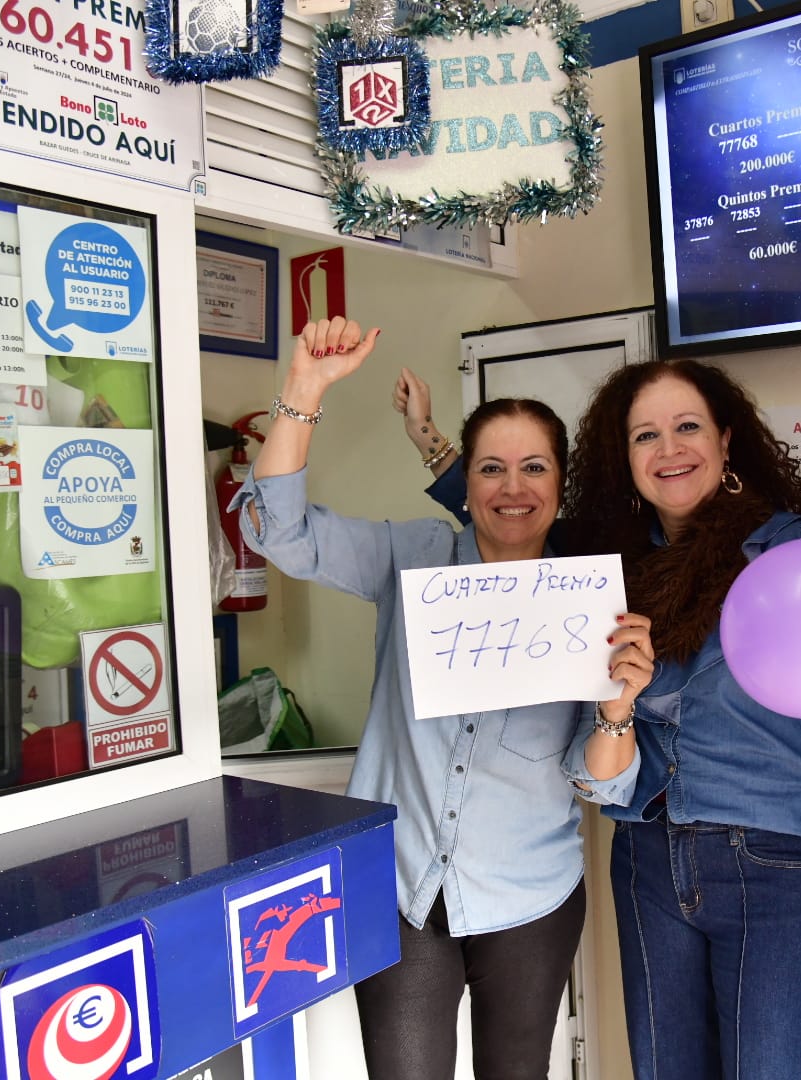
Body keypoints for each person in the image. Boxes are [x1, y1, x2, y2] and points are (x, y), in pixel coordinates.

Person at [418, 360, 801, 1080]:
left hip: (772, 861)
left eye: (687, 427)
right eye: (644, 435)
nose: (669, 448)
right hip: (648, 861)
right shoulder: (604, 566)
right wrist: (439, 450)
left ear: (724, 439)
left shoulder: (799, 549)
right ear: (624, 461)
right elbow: (508, 520)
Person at [231, 316, 654, 1080]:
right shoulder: (414, 558)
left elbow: (603, 782)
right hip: (402, 886)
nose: (513, 488)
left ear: (561, 483)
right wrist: (304, 390)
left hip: (529, 897)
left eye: (534, 468)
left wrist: (618, 702)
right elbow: (276, 530)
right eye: (491, 469)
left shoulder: (589, 600)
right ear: (470, 484)